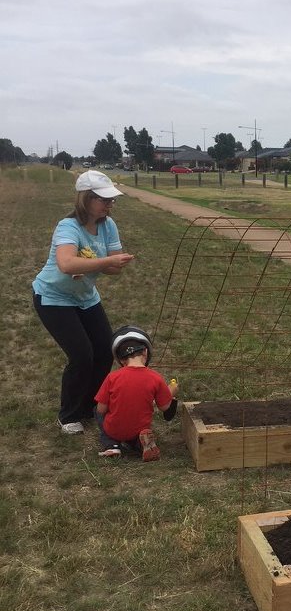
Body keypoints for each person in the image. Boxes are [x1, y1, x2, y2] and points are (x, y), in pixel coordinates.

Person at [33, 170, 135, 434]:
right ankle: (68, 415)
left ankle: (91, 406)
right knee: (81, 355)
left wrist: (111, 263)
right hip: (53, 298)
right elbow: (66, 263)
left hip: (86, 298)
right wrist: (103, 263)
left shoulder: (108, 225)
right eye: (104, 199)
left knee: (103, 350)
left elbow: (113, 268)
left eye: (112, 199)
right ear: (86, 199)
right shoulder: (67, 226)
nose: (110, 204)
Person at [95, 326, 178, 460]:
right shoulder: (156, 377)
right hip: (139, 428)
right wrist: (171, 391)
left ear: (121, 360)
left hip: (115, 429)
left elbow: (101, 409)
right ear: (145, 352)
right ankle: (142, 444)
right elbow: (164, 407)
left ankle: (112, 446)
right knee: (137, 430)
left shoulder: (112, 377)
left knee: (97, 412)